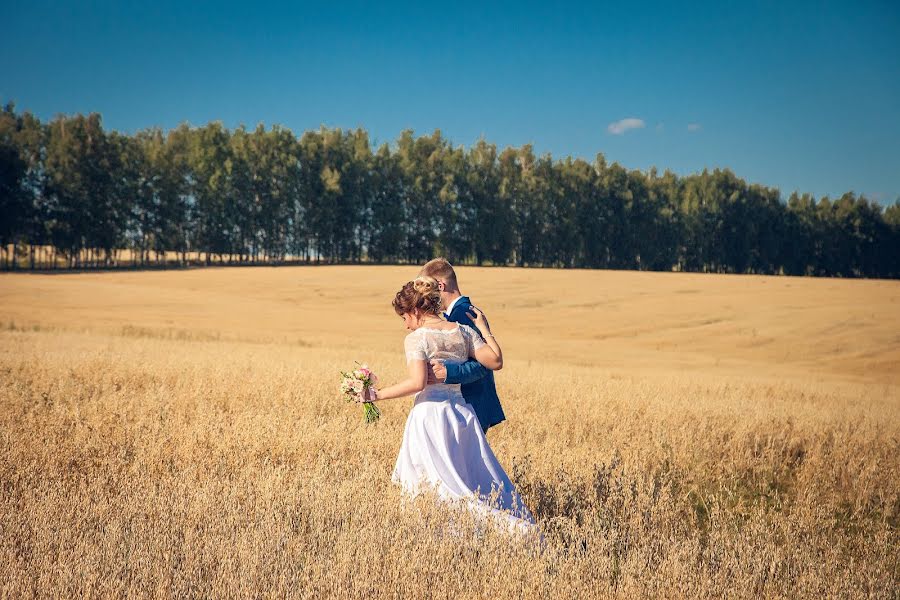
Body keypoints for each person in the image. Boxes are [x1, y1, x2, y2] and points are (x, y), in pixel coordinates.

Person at [366, 276, 534, 531]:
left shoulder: (417, 339)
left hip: (430, 417)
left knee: (433, 484)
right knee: (464, 480)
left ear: (415, 310)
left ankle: (443, 533)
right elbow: (495, 361)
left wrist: (377, 394)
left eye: (404, 318)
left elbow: (417, 382)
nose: (405, 325)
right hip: (461, 414)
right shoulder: (464, 331)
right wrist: (484, 327)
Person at [419, 258, 505, 433]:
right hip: (467, 405)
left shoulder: (463, 314)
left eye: (427, 290)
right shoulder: (459, 313)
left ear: (440, 286)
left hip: (472, 406)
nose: (425, 299)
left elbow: (484, 365)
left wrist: (447, 372)